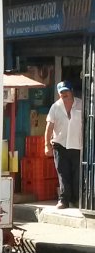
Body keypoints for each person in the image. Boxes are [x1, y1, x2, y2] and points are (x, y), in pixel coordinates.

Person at [45, 80, 83, 209]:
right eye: (61, 92)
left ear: (71, 91)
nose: (64, 94)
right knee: (63, 173)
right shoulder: (55, 107)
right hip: (60, 145)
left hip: (78, 145)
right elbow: (49, 127)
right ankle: (63, 200)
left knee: (77, 174)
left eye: (66, 91)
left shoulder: (81, 104)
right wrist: (47, 145)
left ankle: (77, 199)